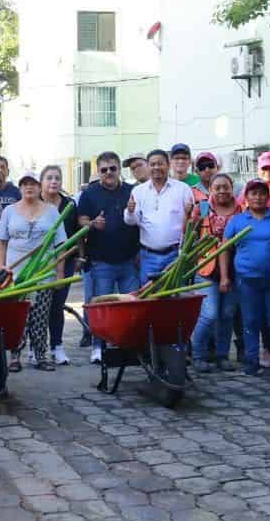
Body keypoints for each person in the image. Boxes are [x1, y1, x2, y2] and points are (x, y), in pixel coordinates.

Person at [224, 179, 270, 378]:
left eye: (262, 193)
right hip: (247, 280)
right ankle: (252, 361)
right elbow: (225, 250)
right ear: (246, 197)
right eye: (253, 193)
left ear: (268, 196)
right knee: (251, 321)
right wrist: (224, 276)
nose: (258, 197)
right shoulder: (237, 221)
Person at [76, 151, 139, 364]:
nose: (109, 173)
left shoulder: (133, 191)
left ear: (120, 169)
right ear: (98, 171)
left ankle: (128, 344)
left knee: (132, 305)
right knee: (102, 308)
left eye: (113, 168)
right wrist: (92, 223)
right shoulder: (89, 194)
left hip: (129, 259)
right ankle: (98, 346)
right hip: (101, 260)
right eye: (104, 170)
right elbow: (81, 221)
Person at [0, 173, 62, 371]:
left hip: (43, 272)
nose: (29, 187)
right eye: (24, 184)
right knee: (17, 316)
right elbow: (1, 242)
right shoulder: (9, 211)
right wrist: (1, 270)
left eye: (33, 184)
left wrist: (59, 273)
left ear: (40, 186)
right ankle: (15, 356)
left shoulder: (51, 211)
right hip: (16, 273)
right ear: (20, 188)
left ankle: (41, 356)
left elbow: (61, 244)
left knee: (41, 315)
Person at [190, 173, 241, 372]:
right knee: (209, 314)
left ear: (231, 188)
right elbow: (189, 235)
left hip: (233, 270)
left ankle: (222, 355)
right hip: (206, 268)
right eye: (217, 187)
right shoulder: (201, 208)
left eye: (225, 187)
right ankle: (198, 354)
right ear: (210, 189)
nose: (222, 191)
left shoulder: (241, 209)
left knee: (227, 314)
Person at [124, 149, 196, 288]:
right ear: (148, 166)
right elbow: (131, 221)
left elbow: (190, 220)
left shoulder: (182, 189)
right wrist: (130, 211)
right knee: (149, 298)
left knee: (174, 296)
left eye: (160, 163)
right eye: (152, 164)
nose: (156, 167)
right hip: (148, 256)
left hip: (175, 255)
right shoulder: (138, 191)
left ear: (168, 165)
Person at [39, 164, 80, 365]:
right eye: (49, 178)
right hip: (39, 263)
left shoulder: (70, 204)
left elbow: (76, 232)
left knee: (57, 305)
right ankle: (36, 348)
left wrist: (81, 257)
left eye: (57, 178)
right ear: (42, 182)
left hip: (66, 260)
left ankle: (57, 346)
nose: (54, 181)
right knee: (37, 306)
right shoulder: (35, 203)